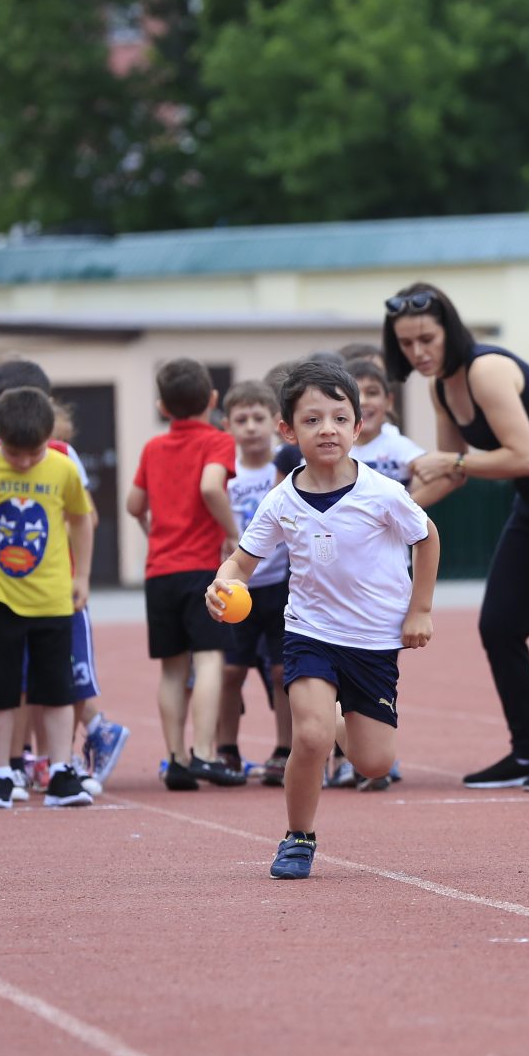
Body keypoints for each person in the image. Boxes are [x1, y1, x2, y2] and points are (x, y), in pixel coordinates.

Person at [208, 357, 438, 880]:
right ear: (288, 430)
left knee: (374, 763)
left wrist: (420, 609)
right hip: (310, 631)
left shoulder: (384, 493)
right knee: (307, 738)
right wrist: (222, 584)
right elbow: (242, 561)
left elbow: (428, 539)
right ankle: (298, 836)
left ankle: (341, 721)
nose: (326, 429)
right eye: (312, 420)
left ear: (359, 427)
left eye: (338, 418)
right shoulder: (280, 499)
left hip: (375, 639)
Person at [391, 282, 529, 793]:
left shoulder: (487, 369)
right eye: (406, 344)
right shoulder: (440, 387)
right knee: (497, 625)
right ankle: (527, 751)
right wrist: (377, 511)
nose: (418, 352)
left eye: (427, 339)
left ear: (450, 331)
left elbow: (523, 458)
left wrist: (453, 459)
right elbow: (449, 476)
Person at [0, 357, 127, 796]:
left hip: (52, 596)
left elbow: (83, 520)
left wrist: (81, 577)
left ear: (50, 436)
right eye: (15, 453)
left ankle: (59, 767)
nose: (25, 462)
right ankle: (1, 770)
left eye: (35, 453)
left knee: (58, 688)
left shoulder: (62, 465)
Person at [126, 358, 245, 790]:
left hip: (159, 571)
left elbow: (133, 505)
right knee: (210, 657)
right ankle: (205, 754)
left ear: (162, 406)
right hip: (199, 569)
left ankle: (176, 758)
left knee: (172, 670)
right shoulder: (217, 441)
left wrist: (154, 530)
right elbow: (212, 486)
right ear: (213, 400)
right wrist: (232, 534)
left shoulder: (153, 448)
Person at [216, 380, 293, 787]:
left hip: (280, 582)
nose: (250, 427)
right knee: (232, 670)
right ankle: (226, 748)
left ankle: (285, 749)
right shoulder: (225, 473)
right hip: (237, 586)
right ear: (227, 424)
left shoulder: (284, 469)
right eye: (241, 419)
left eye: (258, 418)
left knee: (283, 671)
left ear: (276, 423)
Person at [347, 356, 426, 486]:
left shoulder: (400, 447)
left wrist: (404, 504)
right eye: (354, 394)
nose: (363, 401)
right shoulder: (332, 447)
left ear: (389, 402)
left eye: (372, 393)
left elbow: (442, 475)